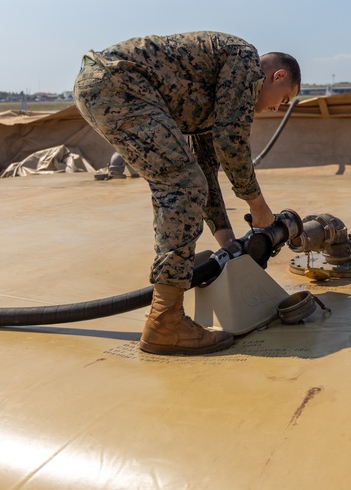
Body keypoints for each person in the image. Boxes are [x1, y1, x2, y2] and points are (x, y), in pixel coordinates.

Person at [74, 31, 300, 356]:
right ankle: (165, 322)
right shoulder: (245, 61)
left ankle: (166, 317)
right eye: (284, 98)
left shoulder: (216, 93)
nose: (277, 107)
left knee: (185, 179)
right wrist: (259, 207)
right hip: (121, 85)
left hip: (106, 84)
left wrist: (228, 242)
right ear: (277, 76)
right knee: (180, 183)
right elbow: (231, 141)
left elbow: (207, 168)